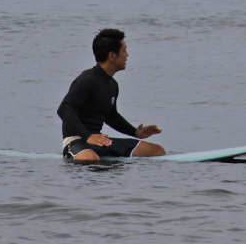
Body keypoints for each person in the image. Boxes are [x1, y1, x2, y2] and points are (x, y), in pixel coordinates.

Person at [57, 28, 165, 160]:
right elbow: (64, 109)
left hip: (100, 140)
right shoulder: (87, 79)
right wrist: (87, 136)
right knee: (91, 158)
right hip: (77, 140)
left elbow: (111, 116)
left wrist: (136, 132)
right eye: (124, 50)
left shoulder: (112, 84)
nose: (127, 55)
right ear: (112, 56)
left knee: (157, 151)